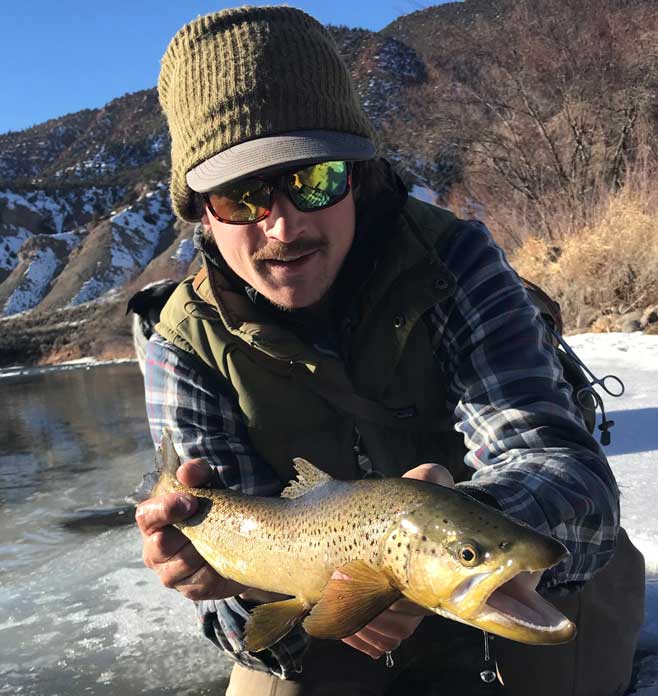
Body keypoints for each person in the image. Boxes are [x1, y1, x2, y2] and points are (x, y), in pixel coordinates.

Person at [135, 6, 644, 695]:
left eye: (314, 179)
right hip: (329, 603)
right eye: (241, 197)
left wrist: (429, 536)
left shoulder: (456, 260)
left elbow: (568, 477)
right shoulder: (183, 344)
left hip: (509, 571)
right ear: (199, 211)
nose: (283, 224)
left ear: (359, 172)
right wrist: (233, 589)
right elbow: (248, 627)